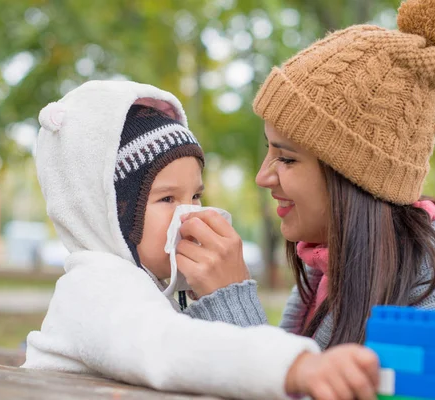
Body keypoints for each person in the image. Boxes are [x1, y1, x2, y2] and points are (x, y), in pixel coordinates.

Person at [21, 80, 380, 400]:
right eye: (167, 199)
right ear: (108, 213)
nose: (190, 214)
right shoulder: (94, 286)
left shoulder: (148, 286)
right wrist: (295, 367)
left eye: (195, 196)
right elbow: (167, 348)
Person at [177, 0, 435, 351]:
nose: (263, 177)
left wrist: (233, 307)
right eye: (269, 149)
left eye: (286, 159)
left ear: (355, 178)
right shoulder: (331, 264)